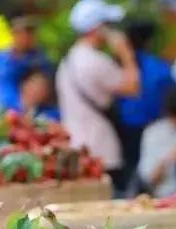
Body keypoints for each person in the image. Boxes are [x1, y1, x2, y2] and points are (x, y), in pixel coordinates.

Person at [55, 0, 140, 192]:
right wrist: (126, 53)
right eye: (109, 25)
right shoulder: (96, 61)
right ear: (97, 28)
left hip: (76, 148)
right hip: (102, 150)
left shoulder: (67, 61)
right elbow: (133, 87)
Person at [116, 20, 174, 194]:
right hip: (154, 126)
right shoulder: (159, 68)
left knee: (130, 173)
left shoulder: (123, 67)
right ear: (149, 41)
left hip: (125, 129)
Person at [0, 16, 52, 113]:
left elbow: (43, 87)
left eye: (30, 33)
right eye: (22, 33)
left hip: (29, 115)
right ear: (13, 34)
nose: (26, 38)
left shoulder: (40, 62)